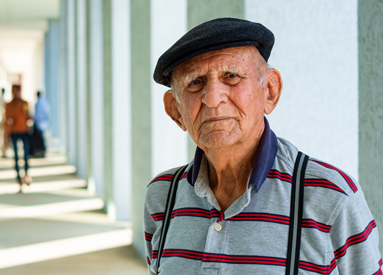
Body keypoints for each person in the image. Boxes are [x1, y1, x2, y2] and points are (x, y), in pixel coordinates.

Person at [144, 18, 381, 274]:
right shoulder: (162, 196)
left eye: (231, 76)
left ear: (269, 91)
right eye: (196, 82)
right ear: (176, 110)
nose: (212, 99)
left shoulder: (331, 197)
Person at [5, 84, 32, 191]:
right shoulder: (9, 105)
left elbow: (29, 117)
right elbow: (7, 120)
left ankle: (26, 174)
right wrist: (7, 135)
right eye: (13, 91)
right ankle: (18, 178)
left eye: (16, 91)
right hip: (14, 133)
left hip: (24, 131)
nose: (15, 93)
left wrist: (27, 114)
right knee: (16, 156)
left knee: (26, 155)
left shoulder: (24, 103)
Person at [31, 91, 50, 158]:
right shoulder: (45, 102)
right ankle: (43, 152)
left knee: (40, 139)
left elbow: (37, 114)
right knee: (42, 138)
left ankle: (42, 151)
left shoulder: (37, 103)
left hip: (39, 123)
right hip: (44, 122)